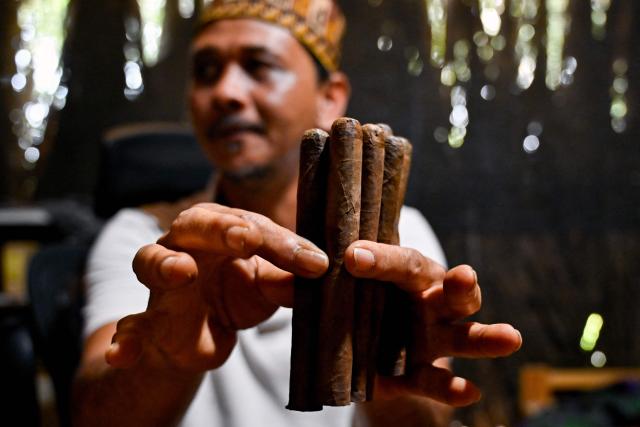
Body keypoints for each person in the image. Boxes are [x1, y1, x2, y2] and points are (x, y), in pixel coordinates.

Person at [72, 1, 522, 426]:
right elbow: (90, 416)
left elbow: (428, 421)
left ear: (330, 98)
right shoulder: (144, 239)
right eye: (206, 71)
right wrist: (165, 359)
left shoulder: (398, 237)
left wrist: (393, 381)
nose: (225, 92)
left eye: (259, 66)